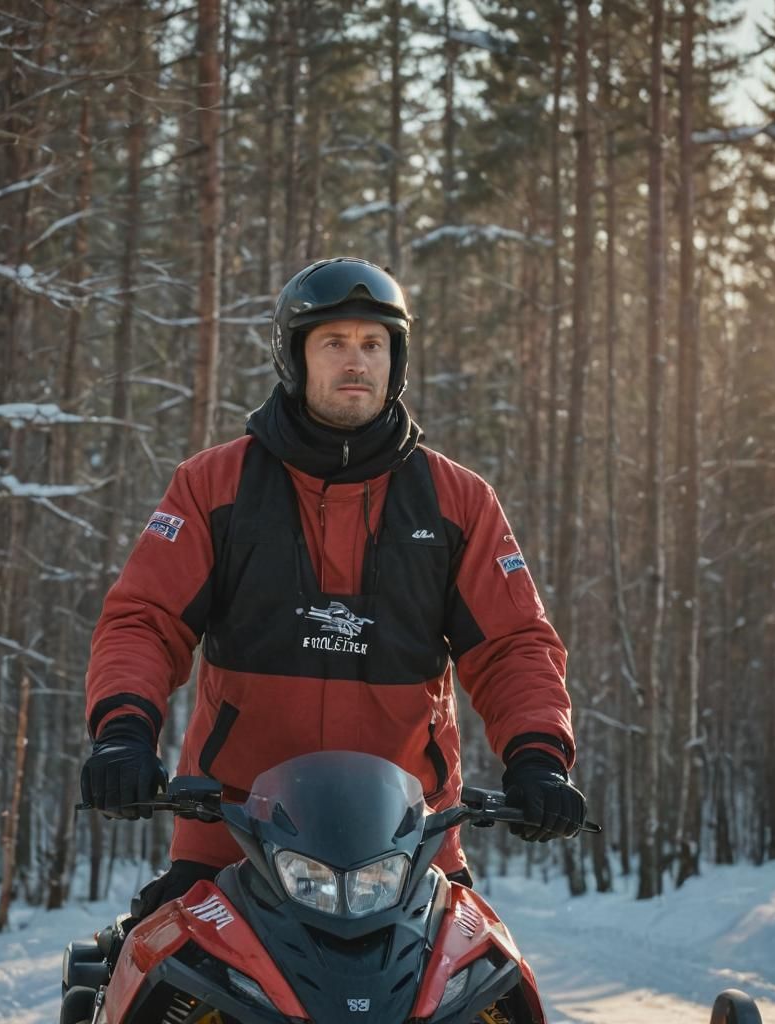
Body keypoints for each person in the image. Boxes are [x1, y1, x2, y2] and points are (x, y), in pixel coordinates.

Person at [80, 257, 585, 919]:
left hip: (410, 848)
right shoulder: (214, 487)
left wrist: (539, 756)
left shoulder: (458, 501)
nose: (357, 361)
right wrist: (123, 732)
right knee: (147, 979)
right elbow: (145, 620)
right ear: (295, 358)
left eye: (374, 344)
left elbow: (514, 645)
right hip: (233, 836)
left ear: (396, 360)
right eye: (335, 343)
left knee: (489, 990)